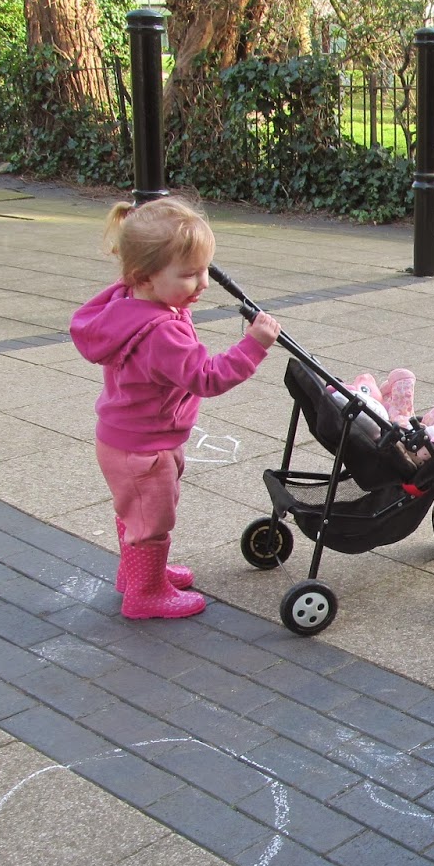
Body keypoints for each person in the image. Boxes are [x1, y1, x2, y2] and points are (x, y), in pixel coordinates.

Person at [71, 196, 279, 620]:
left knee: (138, 513)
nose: (203, 283)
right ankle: (146, 594)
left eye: (205, 270)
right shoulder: (160, 332)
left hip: (127, 441)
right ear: (144, 277)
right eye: (189, 275)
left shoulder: (128, 301)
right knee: (152, 521)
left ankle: (138, 574)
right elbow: (207, 377)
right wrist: (254, 345)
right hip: (145, 449)